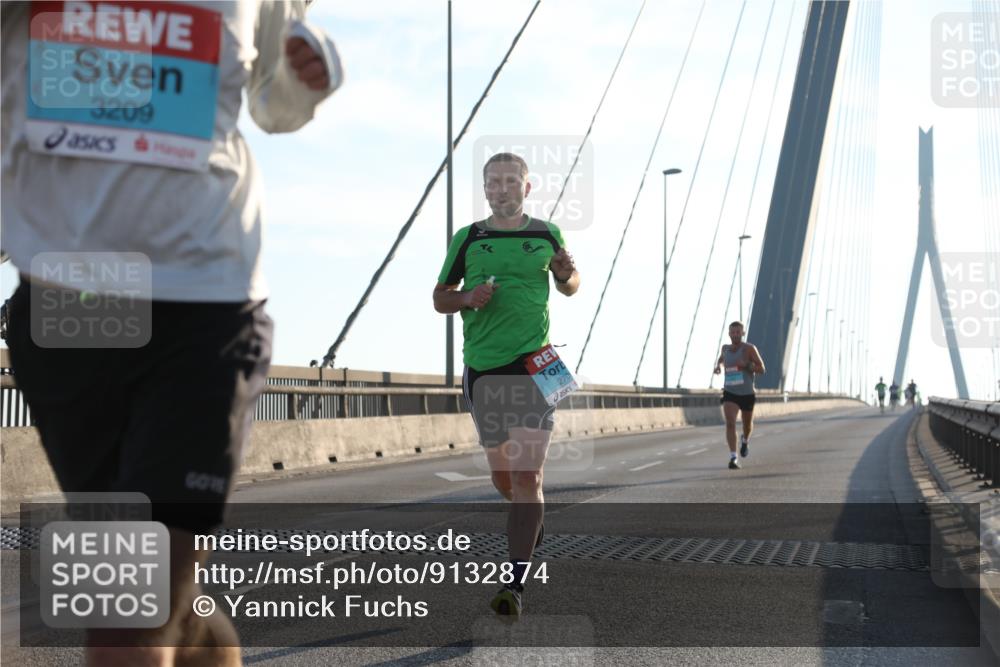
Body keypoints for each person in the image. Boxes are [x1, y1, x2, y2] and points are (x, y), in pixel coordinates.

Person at [2, 2, 342, 665]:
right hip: (67, 309)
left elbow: (272, 100)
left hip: (206, 300)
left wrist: (305, 78)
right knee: (162, 604)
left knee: (130, 610)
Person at [433, 152, 580, 617]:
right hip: (485, 368)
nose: (502, 188)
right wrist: (467, 298)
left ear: (527, 187)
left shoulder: (546, 234)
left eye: (511, 180)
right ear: (485, 189)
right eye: (493, 181)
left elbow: (572, 284)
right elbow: (440, 299)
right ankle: (529, 514)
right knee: (504, 478)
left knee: (527, 476)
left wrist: (565, 273)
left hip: (537, 365)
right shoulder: (469, 239)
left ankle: (514, 584)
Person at [713, 321, 765, 469]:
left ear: (742, 333)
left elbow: (762, 369)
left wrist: (747, 366)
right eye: (732, 332)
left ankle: (745, 440)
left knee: (747, 424)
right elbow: (722, 359)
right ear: (729, 334)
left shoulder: (749, 349)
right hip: (730, 392)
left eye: (738, 332)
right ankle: (733, 457)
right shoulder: (726, 348)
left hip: (747, 393)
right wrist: (718, 366)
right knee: (730, 423)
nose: (735, 335)